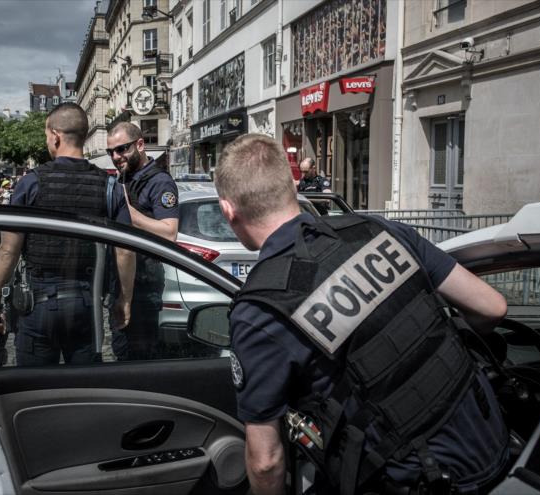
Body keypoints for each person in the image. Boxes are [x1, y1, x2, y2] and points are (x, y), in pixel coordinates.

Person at [214, 135, 511, 495]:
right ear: (293, 187)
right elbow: (492, 308)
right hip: (493, 442)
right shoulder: (379, 230)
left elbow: (266, 462)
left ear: (229, 211)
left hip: (416, 480)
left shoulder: (259, 310)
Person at [0, 103, 135, 366]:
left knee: (36, 390)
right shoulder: (109, 186)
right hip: (86, 303)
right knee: (84, 392)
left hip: (38, 303)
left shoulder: (31, 183)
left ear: (55, 135)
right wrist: (125, 299)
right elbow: (125, 250)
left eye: (45, 136)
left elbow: (9, 249)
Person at [106, 122, 179, 360]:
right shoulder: (123, 179)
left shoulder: (160, 182)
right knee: (122, 352)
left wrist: (126, 212)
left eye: (122, 149)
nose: (116, 157)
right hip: (121, 281)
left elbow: (169, 232)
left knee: (140, 357)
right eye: (111, 152)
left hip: (145, 284)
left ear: (140, 144)